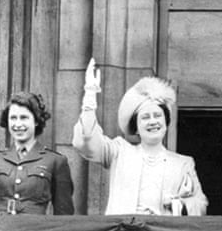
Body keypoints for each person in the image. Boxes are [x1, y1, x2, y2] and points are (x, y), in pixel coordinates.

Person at [72, 58, 208, 215]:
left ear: (166, 122)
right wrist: (90, 95)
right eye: (145, 117)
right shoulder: (119, 152)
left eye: (157, 115)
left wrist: (179, 205)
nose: (153, 122)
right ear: (136, 127)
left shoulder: (183, 164)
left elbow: (200, 204)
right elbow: (87, 141)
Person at [0, 94, 74, 215]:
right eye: (13, 118)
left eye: (23, 118)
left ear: (36, 121)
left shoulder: (55, 161)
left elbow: (64, 214)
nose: (17, 124)